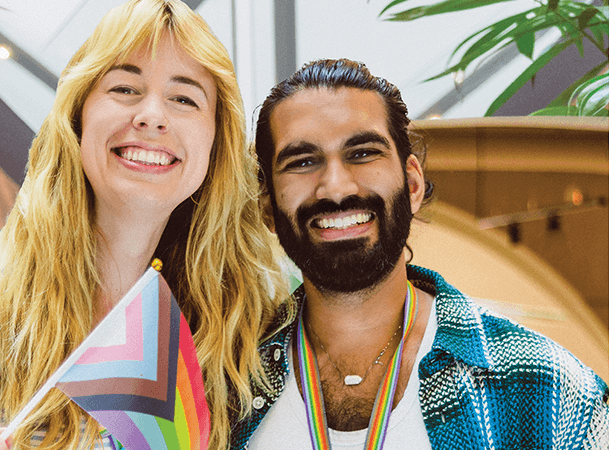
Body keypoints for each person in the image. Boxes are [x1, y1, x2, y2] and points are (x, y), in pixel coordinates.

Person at [0, 1, 289, 449]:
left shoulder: (237, 331)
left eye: (184, 98)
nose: (152, 115)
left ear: (217, 145)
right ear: (77, 118)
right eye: (124, 88)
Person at [229, 58, 609, 449]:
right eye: (303, 162)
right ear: (268, 209)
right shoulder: (223, 391)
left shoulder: (547, 389)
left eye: (362, 153)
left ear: (412, 184)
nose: (336, 187)